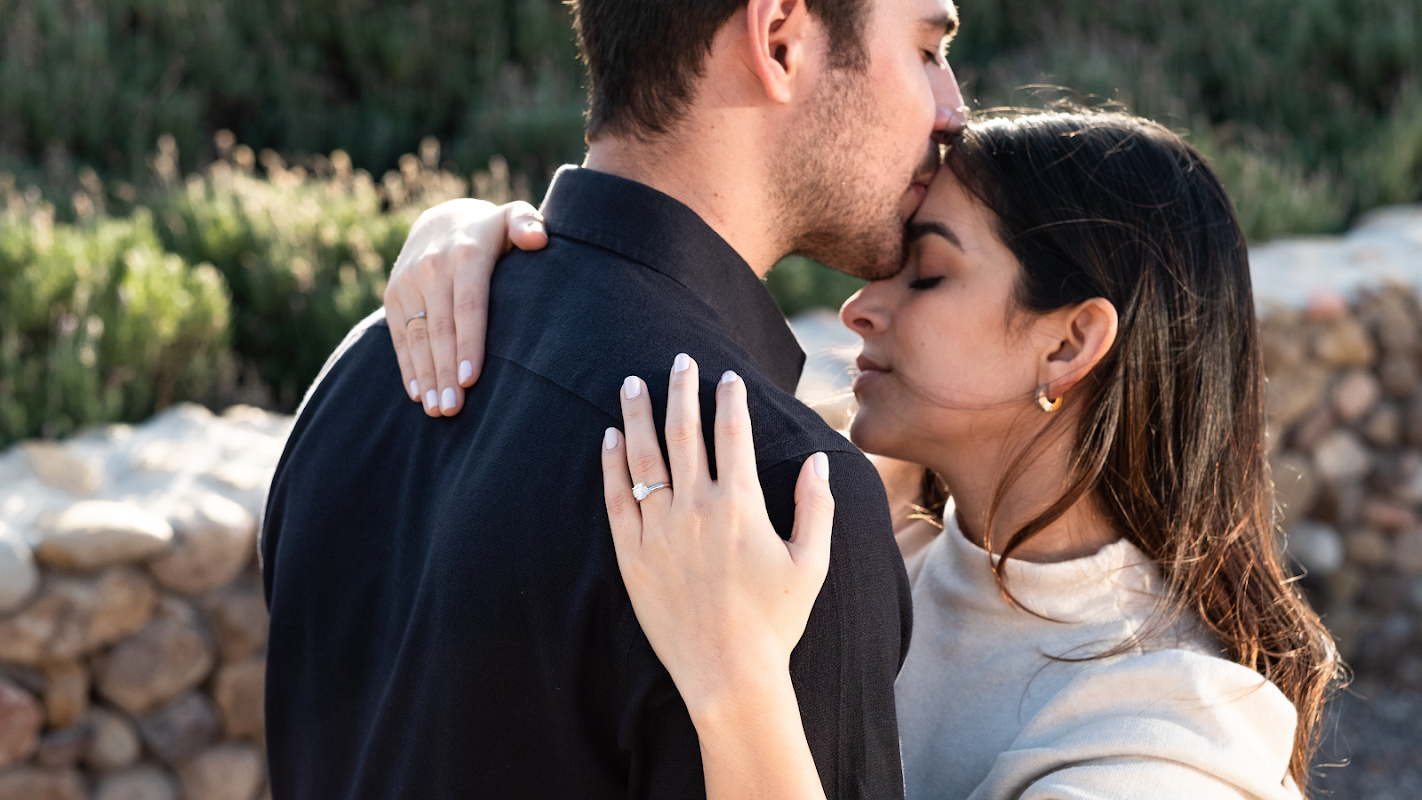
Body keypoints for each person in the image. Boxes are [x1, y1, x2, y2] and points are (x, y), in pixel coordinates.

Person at [386, 112, 1340, 799]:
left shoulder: (1164, 744)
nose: (859, 307)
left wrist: (736, 682)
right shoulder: (877, 534)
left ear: (1067, 344)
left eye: (926, 272)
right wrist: (489, 241)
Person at [261, 0, 967, 797]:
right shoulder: (782, 504)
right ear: (779, 40)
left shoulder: (365, 370)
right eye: (927, 48)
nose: (953, 109)